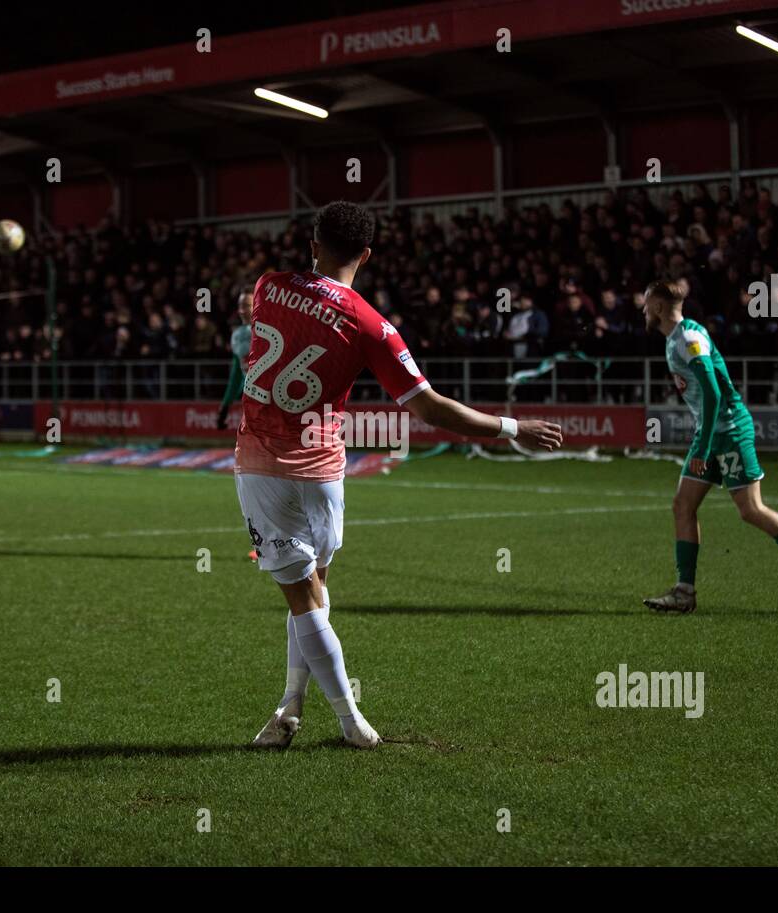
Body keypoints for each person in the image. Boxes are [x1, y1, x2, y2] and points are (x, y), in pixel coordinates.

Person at [236, 201, 562, 749]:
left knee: (302, 597)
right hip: (324, 469)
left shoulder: (268, 286)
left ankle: (349, 723)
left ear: (313, 245)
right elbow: (431, 409)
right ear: (366, 254)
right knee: (315, 592)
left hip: (262, 465)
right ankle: (290, 707)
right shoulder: (373, 326)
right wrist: (510, 427)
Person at [640, 279, 778, 614]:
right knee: (683, 506)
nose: (642, 310)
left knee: (751, 510)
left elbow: (713, 393)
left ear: (657, 307)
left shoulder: (687, 338)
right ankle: (684, 592)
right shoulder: (678, 337)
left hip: (727, 432)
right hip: (711, 433)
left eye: (645, 303)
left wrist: (702, 446)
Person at [216, 289, 253, 430]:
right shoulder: (238, 335)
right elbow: (237, 374)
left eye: (246, 305)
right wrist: (225, 405)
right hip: (251, 401)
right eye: (240, 306)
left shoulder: (270, 332)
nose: (242, 311)